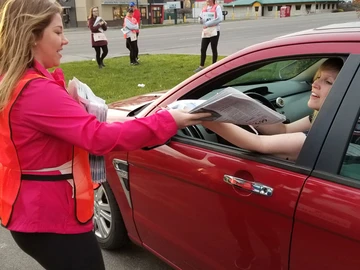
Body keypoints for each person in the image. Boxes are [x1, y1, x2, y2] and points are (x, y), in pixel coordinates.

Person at [0, 1, 210, 269]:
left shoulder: (14, 80)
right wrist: (168, 120)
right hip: (52, 218)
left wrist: (69, 107)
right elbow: (98, 137)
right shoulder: (37, 91)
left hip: (28, 211)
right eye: (57, 32)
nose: (65, 41)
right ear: (31, 35)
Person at [202, 58, 344, 161]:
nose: (315, 84)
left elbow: (259, 144)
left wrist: (207, 119)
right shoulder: (325, 117)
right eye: (318, 77)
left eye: (328, 82)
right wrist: (251, 113)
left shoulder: (329, 134)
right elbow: (285, 130)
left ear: (347, 91)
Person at [194, 0, 223, 73]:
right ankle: (201, 66)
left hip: (214, 30)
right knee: (203, 48)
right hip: (206, 31)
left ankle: (214, 66)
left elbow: (220, 18)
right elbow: (200, 17)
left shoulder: (217, 7)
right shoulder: (204, 8)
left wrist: (208, 23)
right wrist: (200, 20)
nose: (207, 1)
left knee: (213, 48)